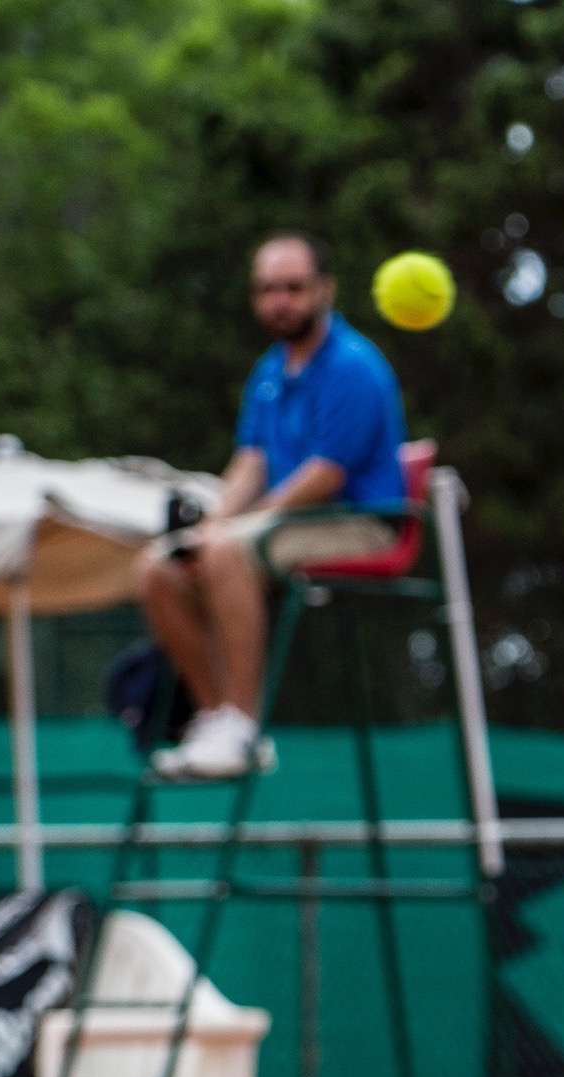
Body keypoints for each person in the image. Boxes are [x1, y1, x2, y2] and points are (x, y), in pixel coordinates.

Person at [135, 233, 406, 778]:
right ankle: (216, 720)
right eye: (266, 290)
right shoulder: (268, 373)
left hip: (362, 524)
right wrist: (212, 523)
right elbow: (250, 463)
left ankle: (242, 723)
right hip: (291, 523)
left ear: (324, 289)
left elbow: (325, 476)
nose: (279, 301)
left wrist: (239, 528)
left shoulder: (354, 365)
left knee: (227, 553)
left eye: (293, 288)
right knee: (159, 566)